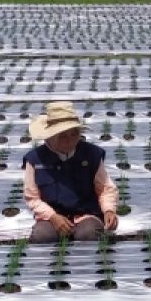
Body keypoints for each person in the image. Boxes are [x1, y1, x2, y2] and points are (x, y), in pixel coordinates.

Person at [23, 101, 119, 243]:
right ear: (49, 136)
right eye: (62, 136)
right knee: (43, 236)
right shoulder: (35, 160)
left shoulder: (91, 154)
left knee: (89, 233)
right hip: (51, 217)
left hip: (85, 214)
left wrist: (109, 210)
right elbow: (32, 197)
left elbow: (105, 188)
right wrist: (53, 217)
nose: (70, 141)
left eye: (74, 134)